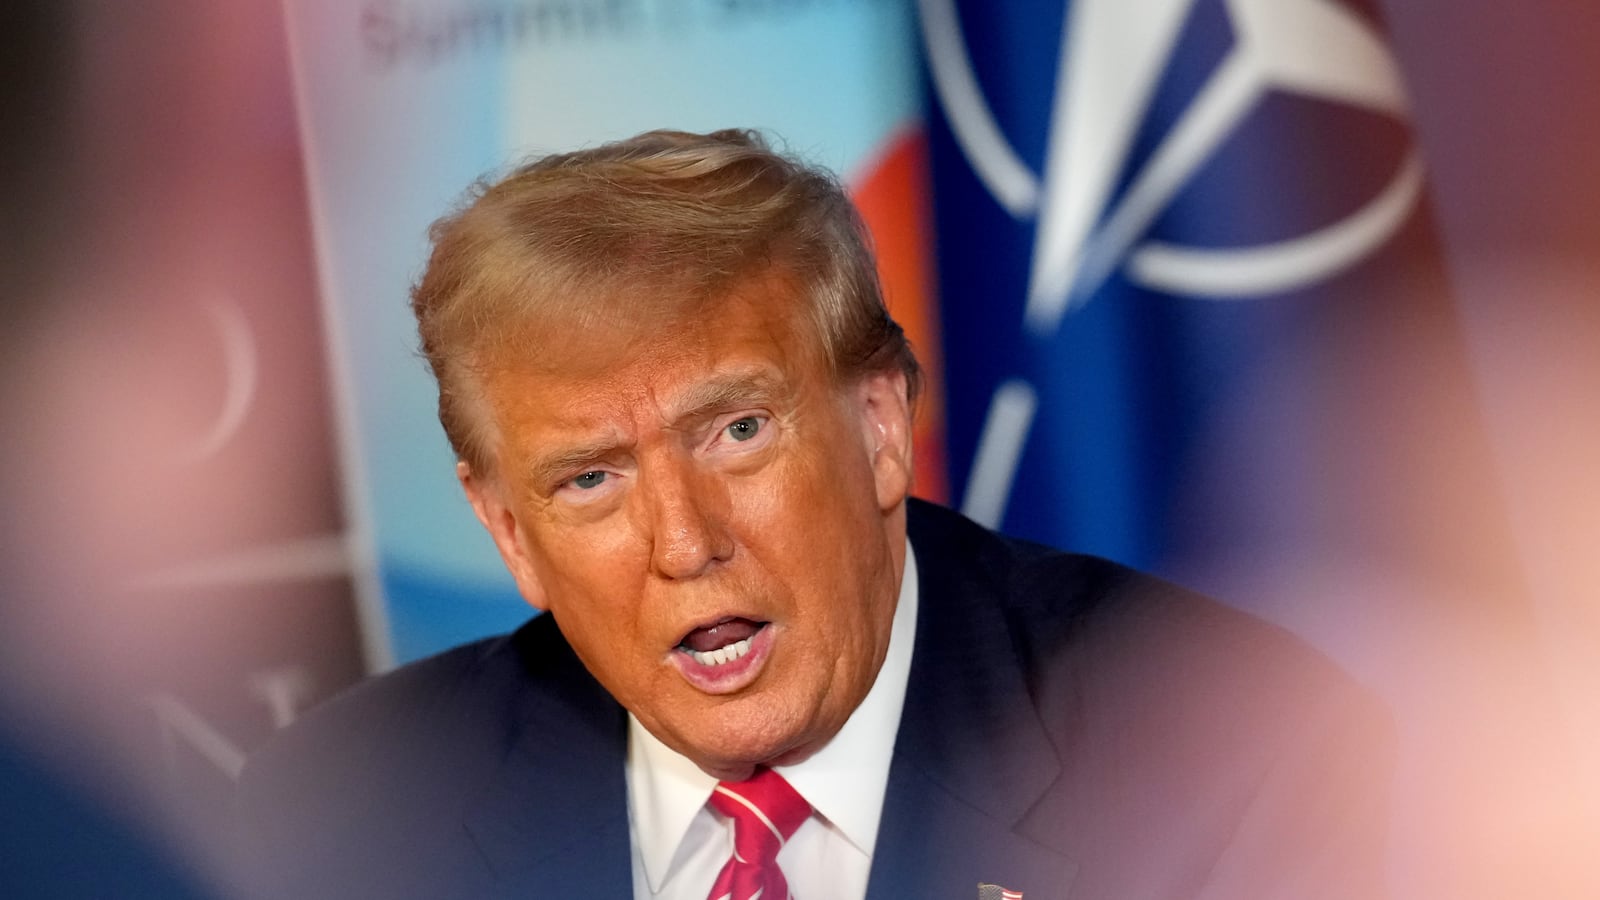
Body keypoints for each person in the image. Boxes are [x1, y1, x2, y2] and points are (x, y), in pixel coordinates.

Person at [235, 128, 1392, 899]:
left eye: (737, 431)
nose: (685, 543)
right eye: (590, 479)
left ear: (881, 425)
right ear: (505, 532)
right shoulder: (346, 822)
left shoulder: (1233, 766)